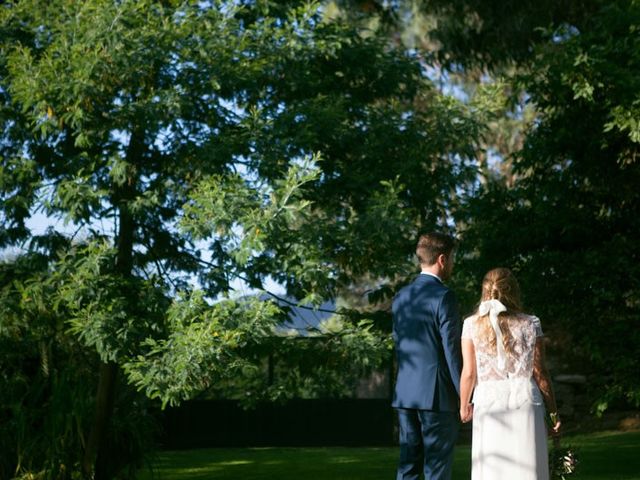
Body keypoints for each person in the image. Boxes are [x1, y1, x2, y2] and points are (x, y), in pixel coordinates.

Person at [459, 268, 562, 479]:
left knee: (492, 468)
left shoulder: (471, 324)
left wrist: (463, 405)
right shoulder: (530, 323)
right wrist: (553, 412)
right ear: (514, 291)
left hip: (488, 403)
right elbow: (540, 372)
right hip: (525, 401)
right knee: (527, 466)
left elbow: (469, 372)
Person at [392, 232, 462, 480]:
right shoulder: (445, 297)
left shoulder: (401, 297)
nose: (453, 263)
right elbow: (452, 350)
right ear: (442, 259)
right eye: (452, 258)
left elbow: (400, 344)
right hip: (437, 397)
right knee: (437, 469)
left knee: (408, 468)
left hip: (405, 394)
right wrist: (465, 395)